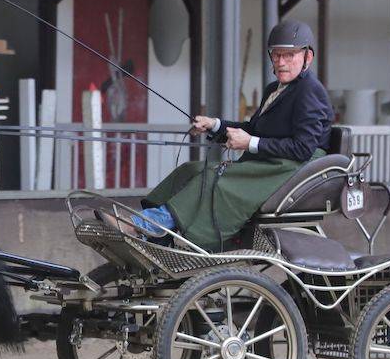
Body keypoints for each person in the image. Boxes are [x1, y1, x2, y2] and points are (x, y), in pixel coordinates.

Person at [105, 19, 333, 249]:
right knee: (191, 170)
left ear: (307, 57)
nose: (281, 62)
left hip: (291, 169)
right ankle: (159, 236)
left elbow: (303, 148)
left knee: (213, 180)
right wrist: (215, 125)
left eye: (289, 55)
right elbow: (254, 129)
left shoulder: (310, 91)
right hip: (270, 161)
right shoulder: (274, 90)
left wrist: (250, 143)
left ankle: (144, 225)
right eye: (276, 55)